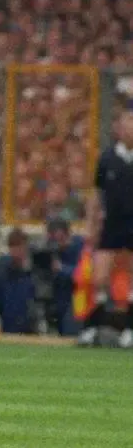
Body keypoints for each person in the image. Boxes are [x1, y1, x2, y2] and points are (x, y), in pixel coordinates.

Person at [79, 110, 133, 348]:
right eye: (128, 122)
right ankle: (93, 327)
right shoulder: (107, 158)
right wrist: (91, 226)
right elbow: (96, 195)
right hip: (112, 226)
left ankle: (129, 330)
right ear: (119, 128)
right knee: (99, 278)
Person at [0, 228, 38, 335]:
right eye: (13, 247)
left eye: (19, 246)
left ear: (25, 247)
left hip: (30, 326)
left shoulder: (35, 270)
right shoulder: (3, 270)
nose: (16, 251)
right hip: (7, 325)